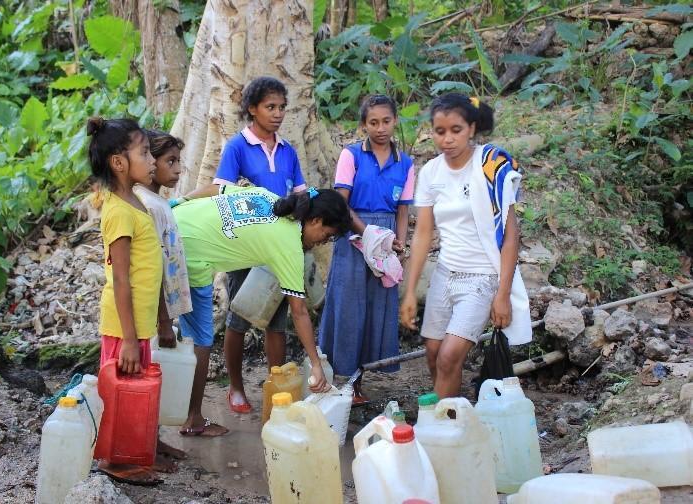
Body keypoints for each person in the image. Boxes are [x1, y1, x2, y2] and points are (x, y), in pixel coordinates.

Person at [173, 186, 351, 435]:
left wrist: (178, 202)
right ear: (316, 220)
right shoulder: (288, 244)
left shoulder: (268, 196)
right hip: (189, 253)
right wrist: (316, 363)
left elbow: (217, 187)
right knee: (201, 339)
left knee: (161, 328)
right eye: (326, 234)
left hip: (173, 220)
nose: (323, 242)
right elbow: (298, 311)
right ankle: (193, 421)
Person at [399, 93, 532, 399]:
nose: (447, 139)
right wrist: (409, 291)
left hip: (483, 276)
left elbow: (511, 237)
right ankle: (454, 414)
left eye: (456, 130)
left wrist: (502, 294)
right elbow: (422, 234)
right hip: (446, 273)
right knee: (433, 353)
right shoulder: (431, 172)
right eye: (440, 131)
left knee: (448, 356)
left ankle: (441, 430)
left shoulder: (492, 167)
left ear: (472, 128)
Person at [208, 76, 307, 414]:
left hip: (279, 246)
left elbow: (300, 193)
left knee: (277, 319)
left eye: (281, 107)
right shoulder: (237, 147)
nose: (277, 113)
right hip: (245, 247)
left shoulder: (288, 150)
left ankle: (275, 386)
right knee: (240, 316)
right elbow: (222, 191)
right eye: (270, 107)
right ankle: (235, 387)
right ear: (252, 109)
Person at [318, 95, 415, 404]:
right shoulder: (352, 156)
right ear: (363, 125)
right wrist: (368, 233)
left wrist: (399, 244)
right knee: (348, 306)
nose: (381, 128)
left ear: (395, 121)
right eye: (373, 122)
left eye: (386, 121)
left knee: (376, 308)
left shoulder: (406, 164)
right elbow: (341, 203)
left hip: (384, 241)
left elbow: (402, 211)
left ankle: (360, 379)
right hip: (353, 238)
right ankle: (339, 377)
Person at [87, 117, 163, 483]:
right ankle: (115, 461)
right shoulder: (118, 211)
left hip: (138, 323)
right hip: (123, 327)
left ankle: (134, 451)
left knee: (136, 392)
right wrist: (130, 340)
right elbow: (120, 279)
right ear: (119, 162)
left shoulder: (135, 202)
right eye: (145, 153)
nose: (152, 161)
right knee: (121, 394)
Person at [132, 129, 193, 462]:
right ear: (149, 162)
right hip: (154, 313)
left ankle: (153, 440)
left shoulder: (159, 202)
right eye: (170, 161)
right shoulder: (146, 204)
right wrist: (163, 321)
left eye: (179, 161)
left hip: (164, 309)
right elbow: (151, 266)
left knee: (157, 376)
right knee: (148, 375)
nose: (178, 169)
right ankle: (146, 445)